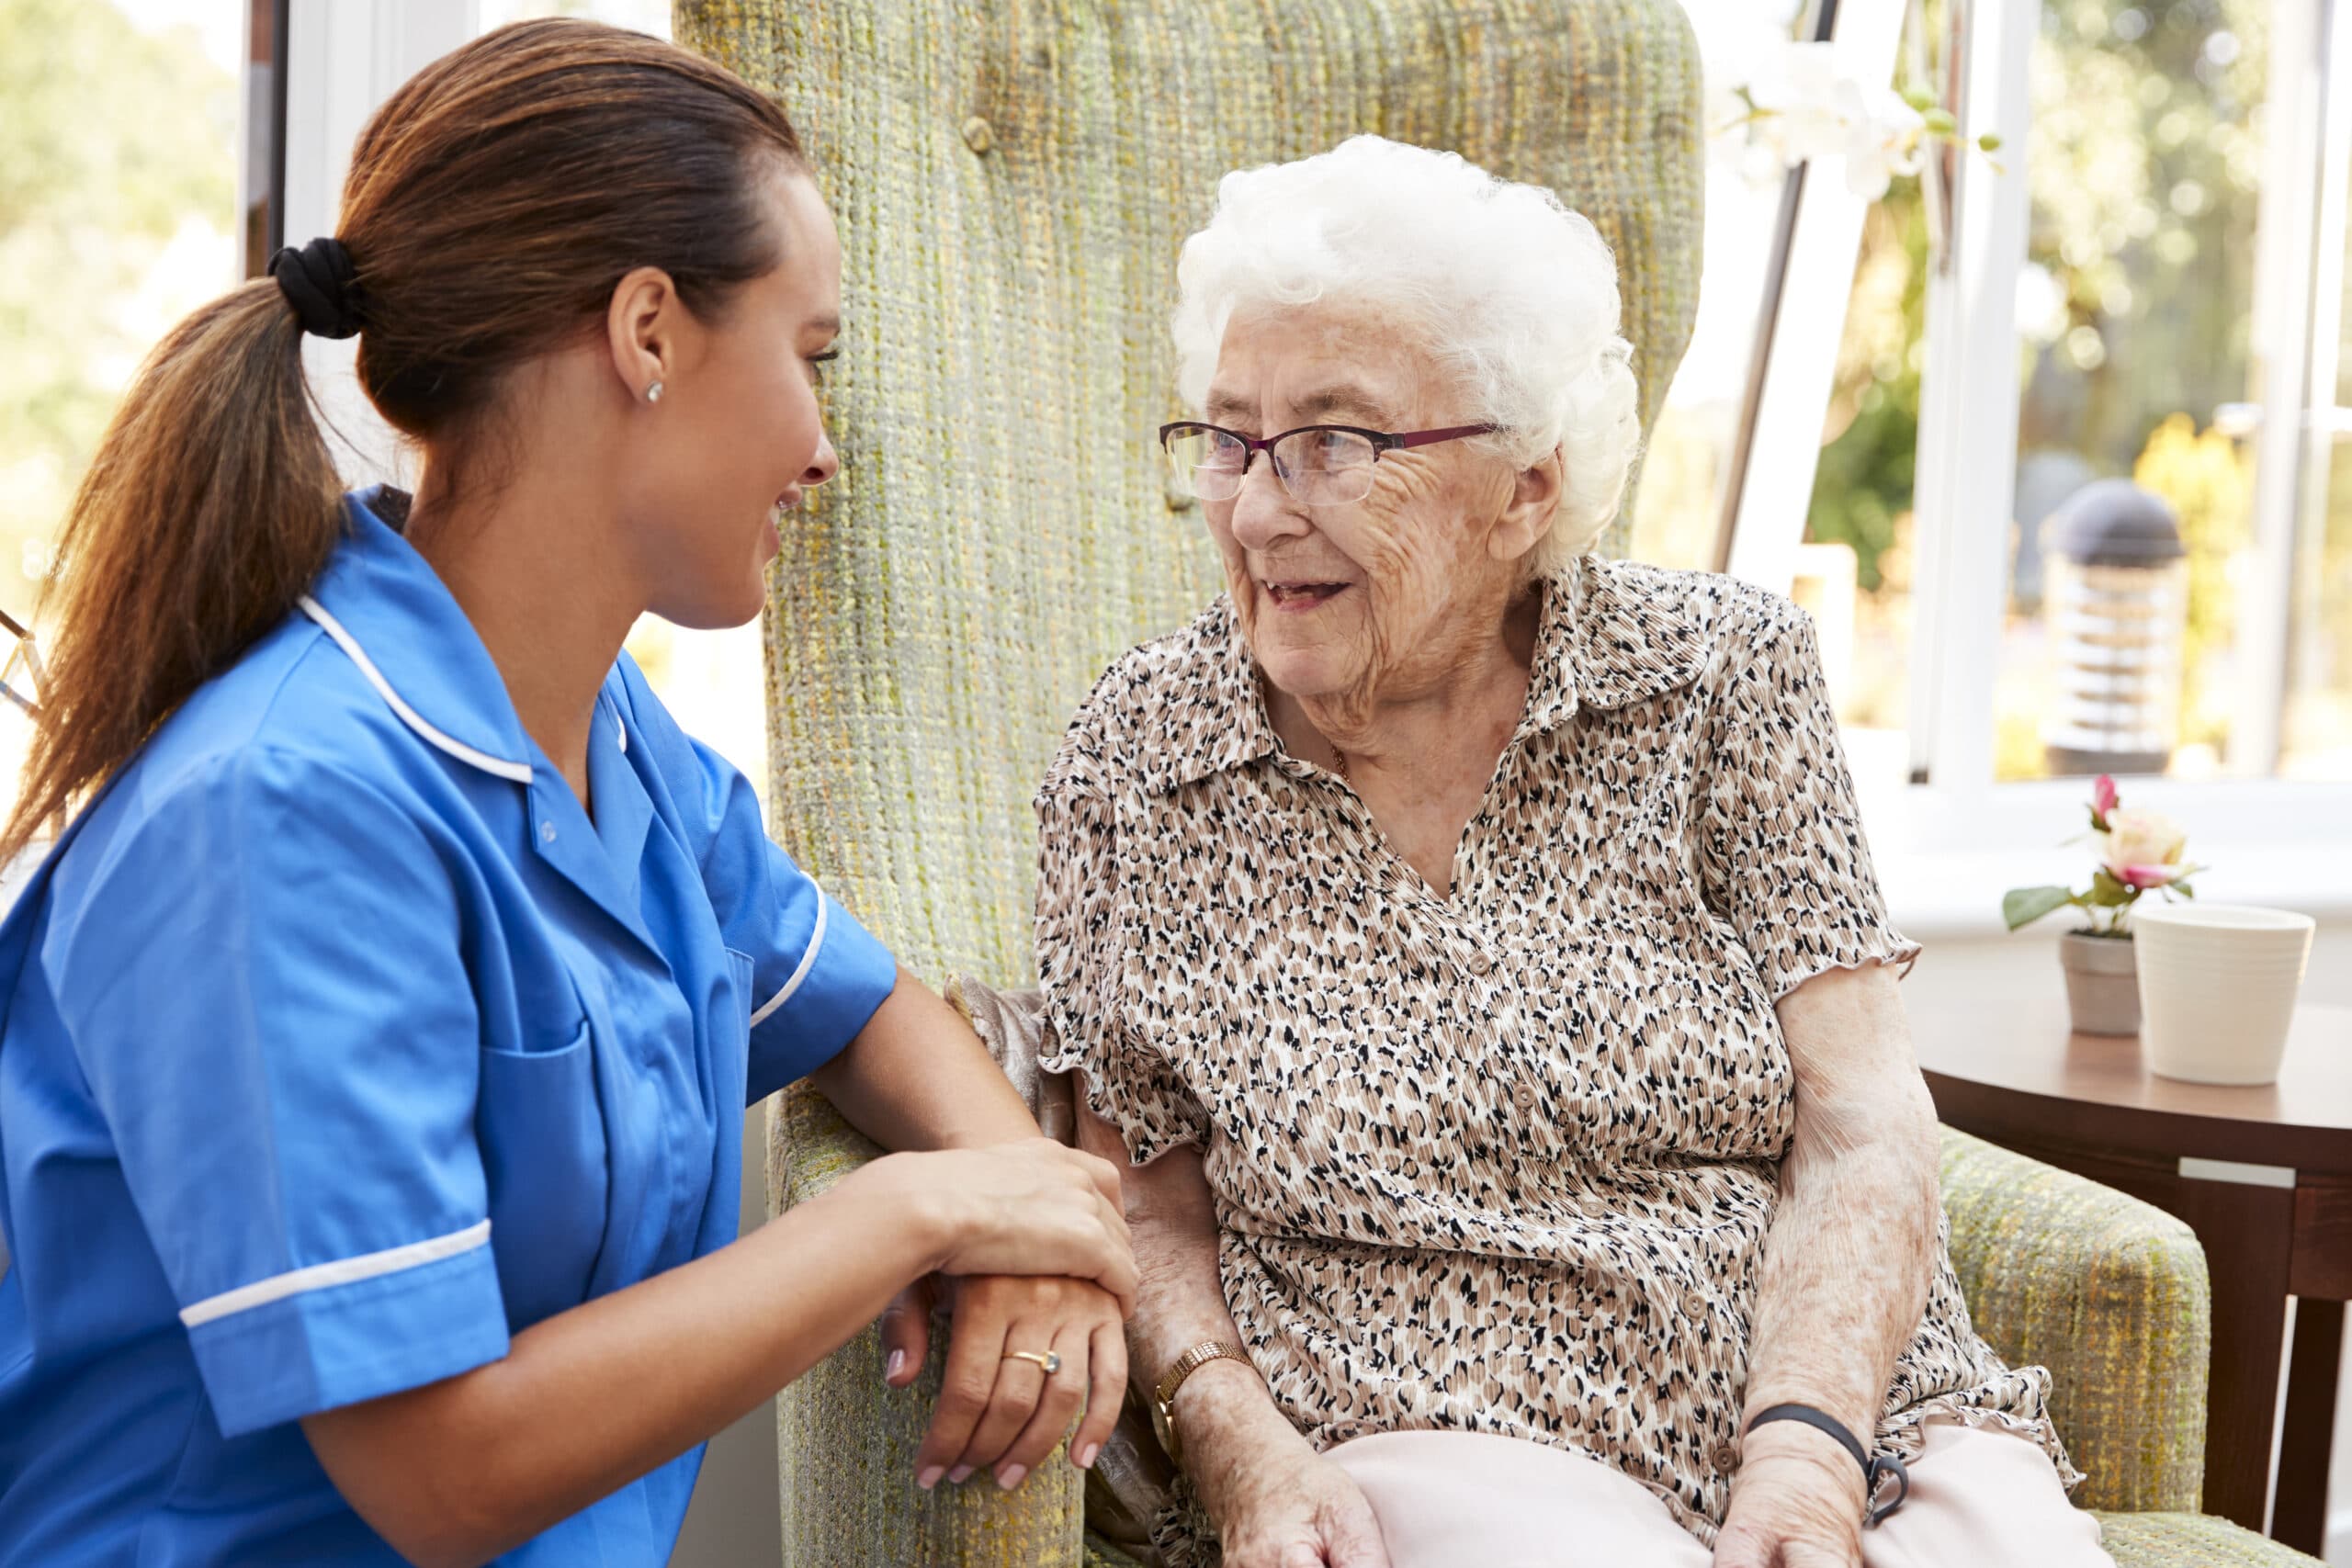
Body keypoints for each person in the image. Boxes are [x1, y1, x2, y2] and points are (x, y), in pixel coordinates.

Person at [0, 21, 1133, 1566]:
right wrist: (916, 1219)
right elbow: (441, 1473)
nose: (823, 450)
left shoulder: (610, 743)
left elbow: (868, 1009)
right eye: (810, 361)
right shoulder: (286, 808)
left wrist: (1031, 1230)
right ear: (648, 333)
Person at [1034, 136, 2113, 1568]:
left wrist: (1804, 1455)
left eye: (1335, 442)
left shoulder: (1721, 678)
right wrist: (1240, 1446)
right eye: (1228, 438)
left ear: (1526, 489)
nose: (1256, 505)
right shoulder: (1141, 758)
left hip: (1848, 1424)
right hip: (1436, 1444)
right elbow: (1145, 1208)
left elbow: (1863, 1120)